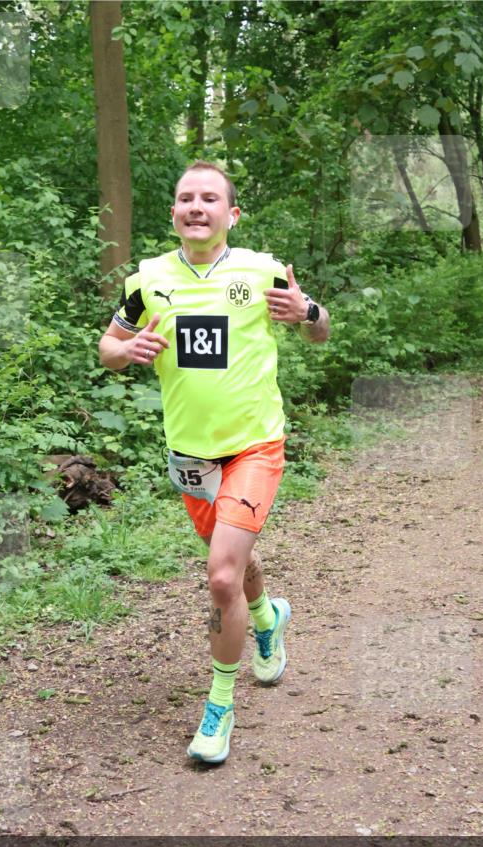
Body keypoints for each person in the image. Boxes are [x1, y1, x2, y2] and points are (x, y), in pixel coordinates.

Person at [99, 161, 329, 765]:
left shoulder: (263, 271)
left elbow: (321, 330)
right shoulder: (147, 279)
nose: (195, 207)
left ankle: (220, 707)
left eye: (208, 198)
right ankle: (267, 617)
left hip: (255, 444)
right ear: (173, 212)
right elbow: (107, 347)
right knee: (235, 563)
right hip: (190, 453)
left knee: (221, 576)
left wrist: (307, 314)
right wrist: (127, 348)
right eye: (185, 198)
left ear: (232, 214)